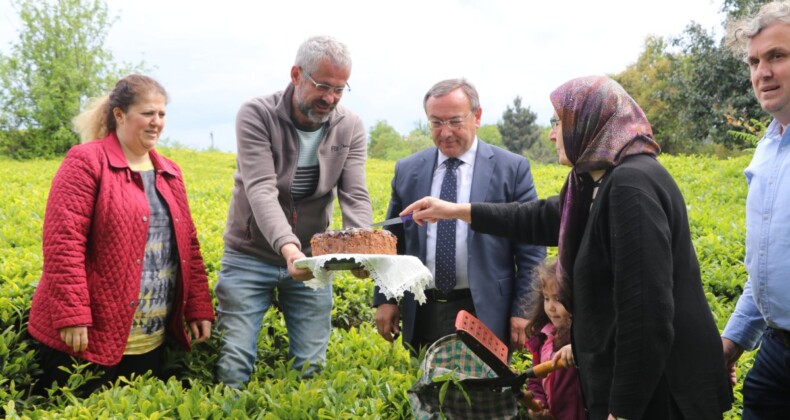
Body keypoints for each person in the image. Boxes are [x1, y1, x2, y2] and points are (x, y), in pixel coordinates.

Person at [400, 76, 733, 419]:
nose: (552, 133)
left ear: (591, 123)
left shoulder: (630, 187)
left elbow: (646, 316)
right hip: (633, 380)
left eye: (559, 122)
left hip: (662, 392)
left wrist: (623, 411)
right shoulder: (593, 182)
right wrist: (454, 211)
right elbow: (540, 217)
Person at [27, 74, 215, 396]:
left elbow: (188, 245)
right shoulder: (86, 161)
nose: (156, 122)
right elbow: (64, 242)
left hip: (149, 340)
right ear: (119, 115)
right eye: (147, 113)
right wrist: (72, 314)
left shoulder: (169, 171)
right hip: (86, 338)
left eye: (162, 114)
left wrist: (198, 306)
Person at [214, 35, 372, 386]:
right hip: (249, 255)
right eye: (323, 86)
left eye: (340, 89)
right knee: (234, 362)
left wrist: (362, 250)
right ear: (297, 74)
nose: (330, 98)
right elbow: (260, 189)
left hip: (314, 260)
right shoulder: (257, 114)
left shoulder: (350, 126)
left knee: (311, 366)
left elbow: (355, 194)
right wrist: (288, 248)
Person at [372, 78, 545, 356]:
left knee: (484, 394)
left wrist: (524, 310)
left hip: (486, 310)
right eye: (436, 122)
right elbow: (393, 242)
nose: (445, 132)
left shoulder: (510, 169)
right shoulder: (408, 169)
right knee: (429, 393)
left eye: (454, 121)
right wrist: (385, 298)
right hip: (424, 307)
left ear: (477, 116)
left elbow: (531, 249)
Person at [721, 2, 790, 417]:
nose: (761, 73)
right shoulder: (767, 148)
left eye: (777, 56)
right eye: (753, 61)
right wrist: (730, 344)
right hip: (775, 354)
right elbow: (765, 268)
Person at [523, 258, 584, 420]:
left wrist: (577, 348)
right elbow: (535, 379)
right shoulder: (543, 338)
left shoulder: (584, 338)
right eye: (546, 298)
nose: (550, 307)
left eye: (558, 299)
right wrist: (538, 402)